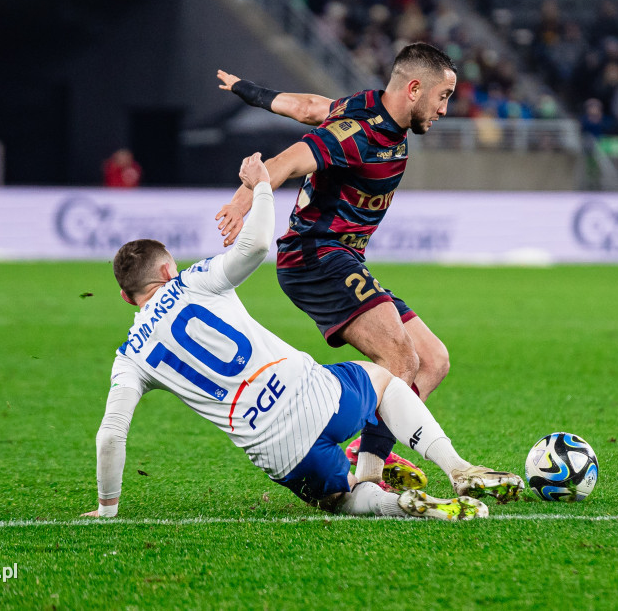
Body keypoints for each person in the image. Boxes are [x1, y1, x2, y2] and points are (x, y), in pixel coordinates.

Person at [81, 154, 523, 522]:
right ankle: (457, 468)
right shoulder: (191, 282)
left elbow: (110, 435)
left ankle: (396, 503)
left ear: (125, 297)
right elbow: (254, 249)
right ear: (165, 271)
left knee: (341, 500)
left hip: (278, 451)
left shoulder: (130, 357)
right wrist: (262, 188)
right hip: (319, 397)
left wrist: (107, 508)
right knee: (383, 377)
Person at [213, 43, 457, 492]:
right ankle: (359, 473)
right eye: (442, 96)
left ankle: (367, 462)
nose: (445, 109)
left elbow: (308, 107)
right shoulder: (357, 133)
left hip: (344, 258)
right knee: (400, 358)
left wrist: (248, 90)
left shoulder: (369, 107)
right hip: (315, 255)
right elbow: (287, 162)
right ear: (415, 88)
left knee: (433, 361)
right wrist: (242, 200)